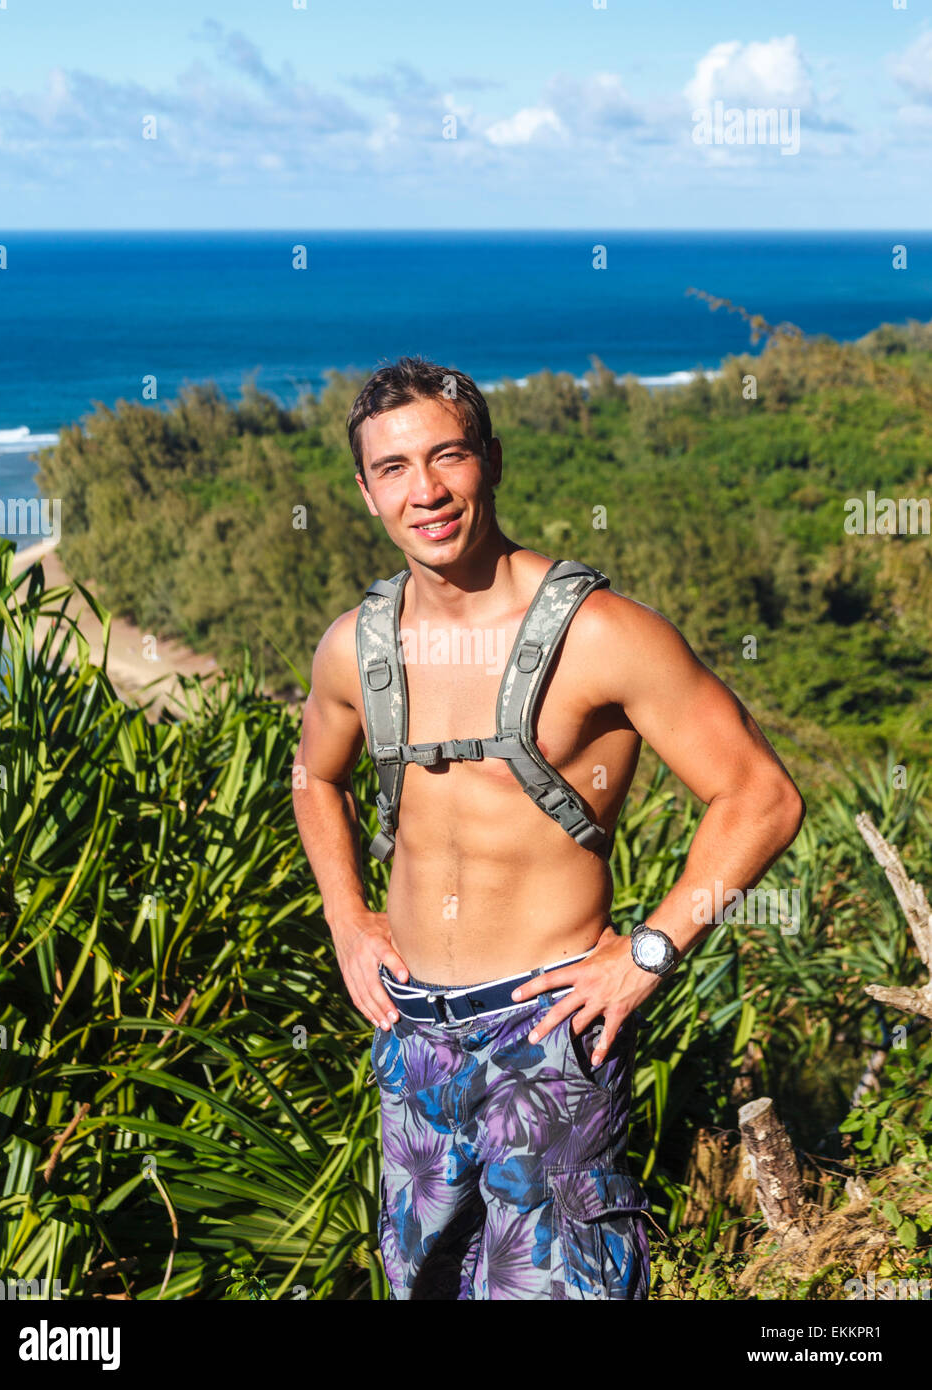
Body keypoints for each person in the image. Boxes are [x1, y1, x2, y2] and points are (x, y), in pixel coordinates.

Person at [291, 355, 805, 1300]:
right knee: (422, 1283)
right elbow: (313, 779)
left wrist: (649, 951)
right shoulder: (354, 648)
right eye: (395, 468)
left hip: (550, 1028)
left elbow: (761, 795)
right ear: (364, 493)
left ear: (490, 458)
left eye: (448, 456)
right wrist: (346, 919)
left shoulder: (598, 632)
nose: (428, 490)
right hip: (411, 1033)